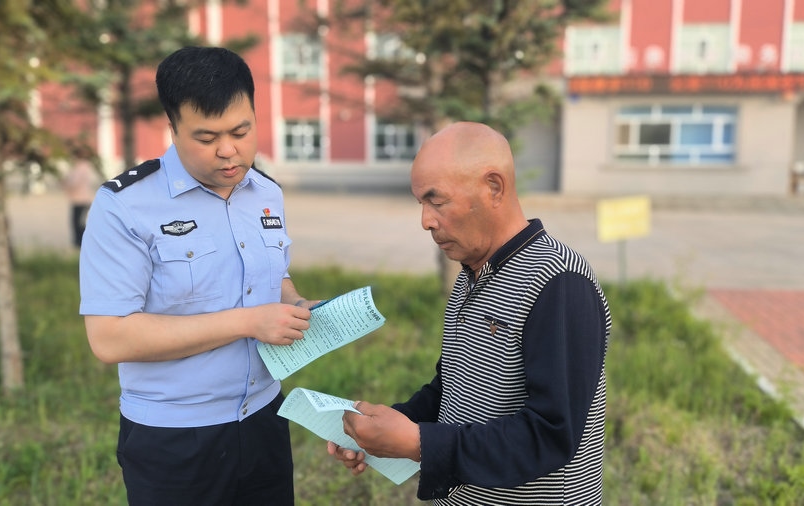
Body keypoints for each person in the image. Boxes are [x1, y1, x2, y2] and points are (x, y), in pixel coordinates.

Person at [79, 46, 320, 505]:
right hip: (175, 439)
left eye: (241, 131)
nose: (228, 151)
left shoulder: (265, 192)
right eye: (206, 137)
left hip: (263, 418)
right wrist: (249, 322)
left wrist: (294, 303)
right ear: (172, 128)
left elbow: (275, 275)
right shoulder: (125, 206)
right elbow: (110, 338)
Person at [327, 122, 611, 504]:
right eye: (421, 203)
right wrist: (383, 430)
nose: (425, 221)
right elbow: (452, 387)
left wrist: (418, 443)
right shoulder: (473, 273)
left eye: (437, 201)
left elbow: (550, 435)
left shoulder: (559, 282)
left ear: (493, 187)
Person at [62, 150, 97, 248]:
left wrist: (64, 183)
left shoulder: (79, 168)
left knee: (77, 223)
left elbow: (74, 183)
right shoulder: (86, 167)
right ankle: (82, 242)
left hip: (79, 199)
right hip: (84, 198)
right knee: (80, 222)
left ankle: (80, 242)